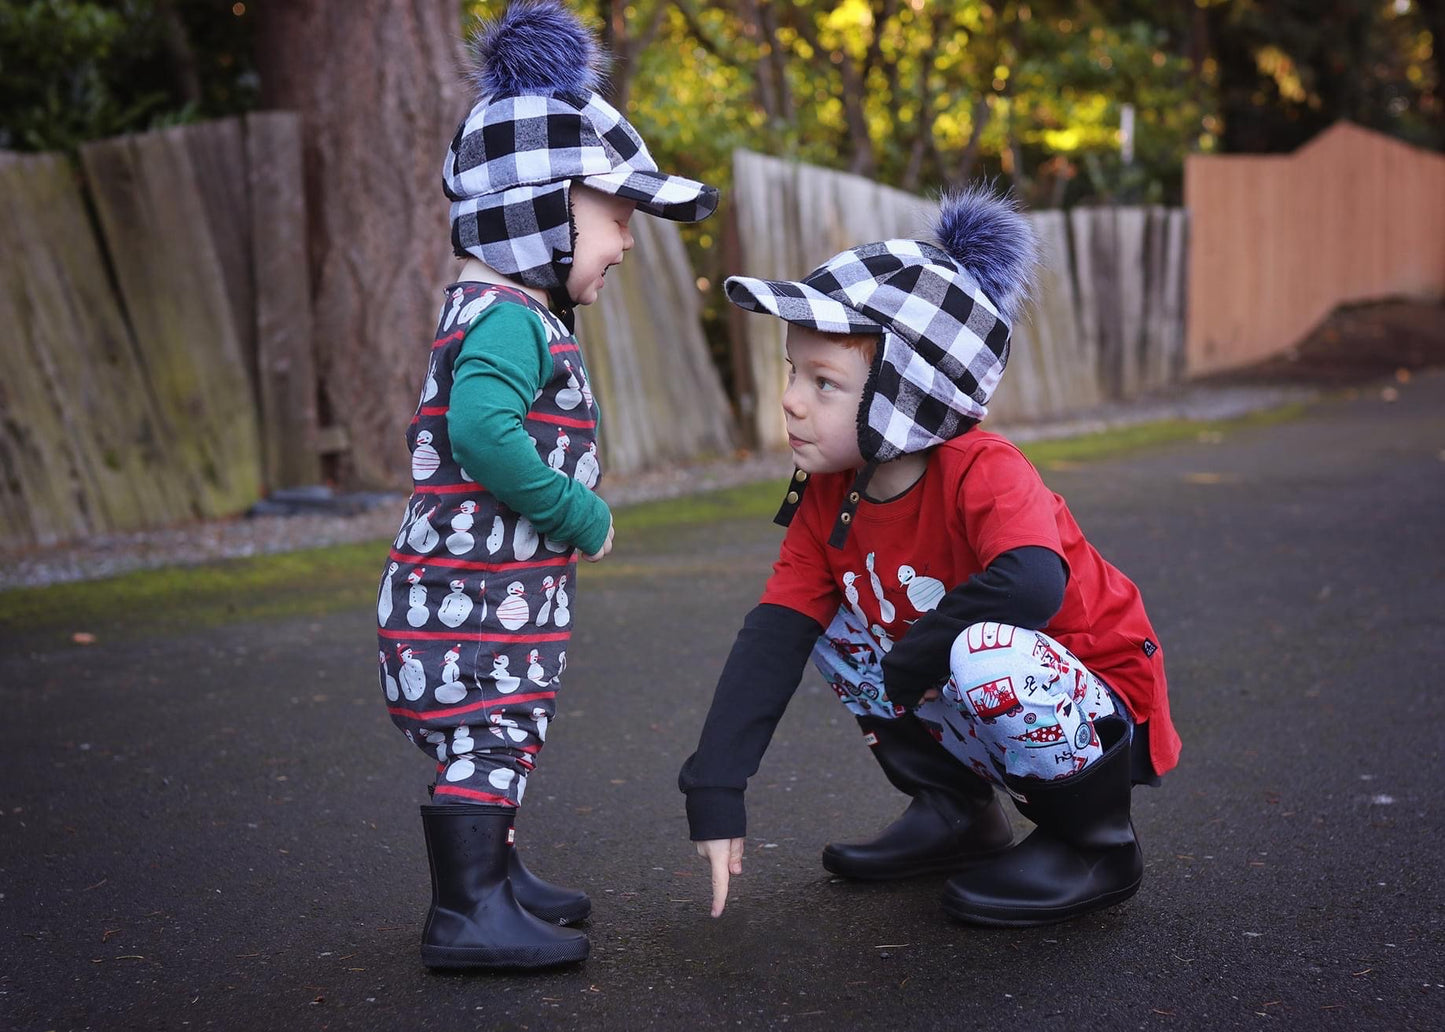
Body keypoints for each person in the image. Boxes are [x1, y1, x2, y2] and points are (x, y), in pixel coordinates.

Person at [678, 186, 1180, 928]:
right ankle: (958, 812)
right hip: (965, 680)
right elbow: (775, 631)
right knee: (830, 626)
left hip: (1093, 708)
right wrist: (714, 786)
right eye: (793, 372)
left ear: (904, 398)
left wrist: (912, 660)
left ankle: (1094, 843)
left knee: (983, 647)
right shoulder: (831, 494)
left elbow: (1033, 582)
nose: (789, 400)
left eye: (823, 383)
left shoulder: (983, 468)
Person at [376, 0, 717, 971]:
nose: (626, 241)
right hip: (467, 609)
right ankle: (465, 914)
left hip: (478, 598)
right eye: (615, 217)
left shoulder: (502, 310)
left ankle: (496, 876)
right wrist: (578, 511)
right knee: (489, 734)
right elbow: (480, 433)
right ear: (536, 213)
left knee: (500, 738)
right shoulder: (508, 319)